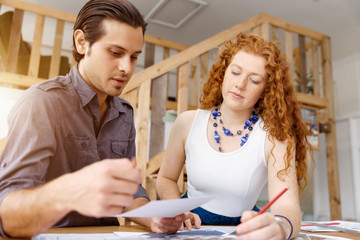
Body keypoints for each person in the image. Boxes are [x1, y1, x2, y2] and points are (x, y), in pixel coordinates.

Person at [0, 0, 185, 237]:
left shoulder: (124, 113)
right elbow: (6, 213)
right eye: (116, 53)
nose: (127, 68)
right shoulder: (41, 102)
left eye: (134, 57)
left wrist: (155, 218)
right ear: (81, 42)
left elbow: (129, 194)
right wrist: (70, 191)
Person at [156, 32, 312, 239]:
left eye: (254, 80)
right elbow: (165, 178)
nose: (240, 85)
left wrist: (281, 229)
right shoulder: (187, 122)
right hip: (190, 226)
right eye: (235, 72)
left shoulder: (275, 137)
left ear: (266, 90)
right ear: (223, 72)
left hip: (245, 227)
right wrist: (175, 210)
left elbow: (287, 205)